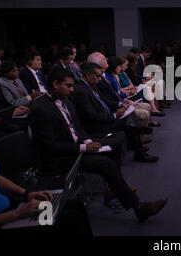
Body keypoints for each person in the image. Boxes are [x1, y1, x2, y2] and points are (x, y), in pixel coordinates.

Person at [29, 68, 167, 221]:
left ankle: (112, 189)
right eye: (68, 86)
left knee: (114, 145)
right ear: (55, 84)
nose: (72, 89)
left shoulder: (65, 100)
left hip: (77, 146)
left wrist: (88, 141)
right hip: (59, 158)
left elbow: (77, 127)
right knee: (106, 165)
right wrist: (84, 147)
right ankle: (138, 207)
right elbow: (49, 146)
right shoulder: (40, 109)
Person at [0, 98, 92, 235]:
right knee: (70, 219)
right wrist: (15, 214)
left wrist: (26, 193)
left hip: (8, 208)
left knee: (73, 207)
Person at [72, 63, 158, 162]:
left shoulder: (90, 85)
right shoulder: (81, 91)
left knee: (129, 121)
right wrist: (114, 115)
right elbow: (91, 116)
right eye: (98, 76)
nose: (100, 79)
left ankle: (140, 141)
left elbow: (104, 101)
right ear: (88, 75)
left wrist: (119, 105)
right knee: (130, 124)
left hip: (105, 118)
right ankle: (140, 149)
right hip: (96, 126)